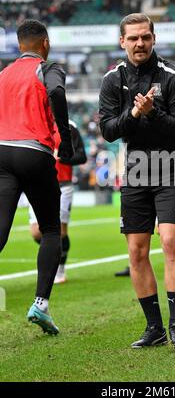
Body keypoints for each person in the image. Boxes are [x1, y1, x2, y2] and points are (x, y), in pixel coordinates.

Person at [99, 13, 175, 349]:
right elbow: (109, 129)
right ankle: (154, 328)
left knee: (170, 242)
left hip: (169, 167)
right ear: (122, 41)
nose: (140, 44)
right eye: (133, 38)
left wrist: (153, 113)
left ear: (154, 39)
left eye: (145, 37)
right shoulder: (112, 80)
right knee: (137, 252)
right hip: (136, 169)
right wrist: (135, 114)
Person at [0, 20, 73, 334]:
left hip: (2, 152)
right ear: (45, 42)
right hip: (34, 151)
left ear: (19, 46)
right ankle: (40, 304)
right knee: (51, 230)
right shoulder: (48, 68)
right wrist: (65, 143)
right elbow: (56, 91)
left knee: (1, 230)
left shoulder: (3, 74)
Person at [28, 120, 87, 284]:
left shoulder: (69, 126)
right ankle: (52, 255)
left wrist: (61, 157)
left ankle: (59, 270)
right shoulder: (33, 121)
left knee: (60, 231)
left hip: (62, 184)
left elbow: (81, 156)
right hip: (37, 183)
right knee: (36, 232)